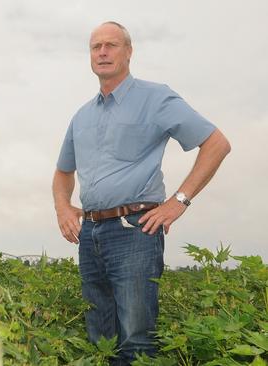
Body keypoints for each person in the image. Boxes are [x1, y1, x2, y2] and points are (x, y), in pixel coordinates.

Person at [52, 21, 231, 364]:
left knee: (136, 339)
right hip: (90, 235)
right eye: (96, 47)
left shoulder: (156, 97)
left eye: (111, 45)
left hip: (135, 231)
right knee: (99, 338)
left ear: (129, 52)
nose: (102, 52)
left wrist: (178, 202)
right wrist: (63, 207)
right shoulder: (82, 116)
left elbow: (217, 143)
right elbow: (62, 172)